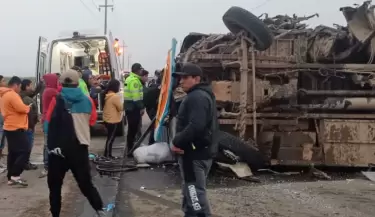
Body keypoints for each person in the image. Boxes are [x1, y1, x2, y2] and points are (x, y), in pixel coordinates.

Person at [45, 69, 104, 217]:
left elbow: (47, 125)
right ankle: (100, 210)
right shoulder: (88, 100)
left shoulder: (56, 100)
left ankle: (55, 214)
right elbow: (91, 121)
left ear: (61, 83)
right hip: (79, 147)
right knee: (85, 183)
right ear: (78, 83)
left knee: (55, 185)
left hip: (58, 150)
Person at [171, 62, 219, 217]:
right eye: (180, 78)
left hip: (194, 154)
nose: (181, 81)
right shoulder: (203, 95)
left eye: (185, 77)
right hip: (198, 152)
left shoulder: (196, 97)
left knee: (195, 194)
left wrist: (177, 141)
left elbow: (196, 126)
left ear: (196, 79)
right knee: (190, 190)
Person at [0, 76, 31, 187]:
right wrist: (28, 107)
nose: (20, 89)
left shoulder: (3, 95)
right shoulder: (12, 95)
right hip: (16, 127)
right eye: (19, 86)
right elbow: (21, 108)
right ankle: (15, 175)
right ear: (16, 85)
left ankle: (10, 177)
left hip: (9, 126)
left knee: (13, 153)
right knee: (25, 150)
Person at [40, 73, 59, 178]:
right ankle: (47, 166)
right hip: (49, 120)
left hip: (47, 119)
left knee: (48, 143)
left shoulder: (47, 90)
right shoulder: (51, 91)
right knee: (48, 144)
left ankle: (48, 165)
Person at [124, 63, 145, 155]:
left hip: (129, 107)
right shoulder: (135, 81)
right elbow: (136, 96)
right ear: (137, 70)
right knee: (133, 129)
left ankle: (130, 147)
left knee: (131, 129)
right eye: (140, 70)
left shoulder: (129, 78)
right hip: (133, 108)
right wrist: (141, 107)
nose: (141, 71)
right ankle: (130, 149)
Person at [20, 79, 39, 170]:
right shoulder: (26, 99)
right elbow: (29, 114)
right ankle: (25, 163)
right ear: (27, 86)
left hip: (26, 125)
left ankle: (24, 162)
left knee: (25, 145)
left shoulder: (23, 96)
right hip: (28, 126)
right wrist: (30, 126)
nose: (32, 87)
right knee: (27, 145)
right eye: (31, 85)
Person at [102, 79, 123, 158]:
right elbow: (120, 108)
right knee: (111, 139)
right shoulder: (115, 97)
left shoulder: (107, 95)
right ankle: (107, 155)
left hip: (107, 119)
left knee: (109, 138)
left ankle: (108, 154)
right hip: (113, 120)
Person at [0, 76, 7, 165]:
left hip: (4, 122)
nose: (5, 82)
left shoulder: (4, 93)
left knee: (2, 143)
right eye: (3, 81)